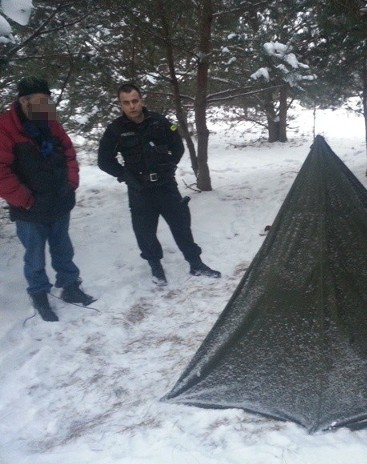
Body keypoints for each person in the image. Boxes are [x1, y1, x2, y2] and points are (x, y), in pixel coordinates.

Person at [98, 82, 220, 285]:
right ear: (120, 105)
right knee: (145, 231)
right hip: (139, 189)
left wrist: (169, 166)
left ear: (141, 100)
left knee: (181, 225)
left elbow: (177, 146)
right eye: (126, 103)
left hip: (165, 185)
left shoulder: (159, 121)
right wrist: (124, 176)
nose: (132, 106)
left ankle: (195, 263)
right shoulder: (115, 130)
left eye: (135, 101)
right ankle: (156, 268)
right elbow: (104, 161)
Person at [0, 77, 95, 322]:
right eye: (41, 101)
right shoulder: (6, 128)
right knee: (34, 255)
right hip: (29, 209)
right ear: (24, 101)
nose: (46, 106)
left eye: (47, 100)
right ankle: (39, 293)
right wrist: (26, 200)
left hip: (59, 201)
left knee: (63, 248)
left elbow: (69, 153)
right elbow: (1, 172)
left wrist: (71, 184)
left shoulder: (50, 122)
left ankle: (70, 285)